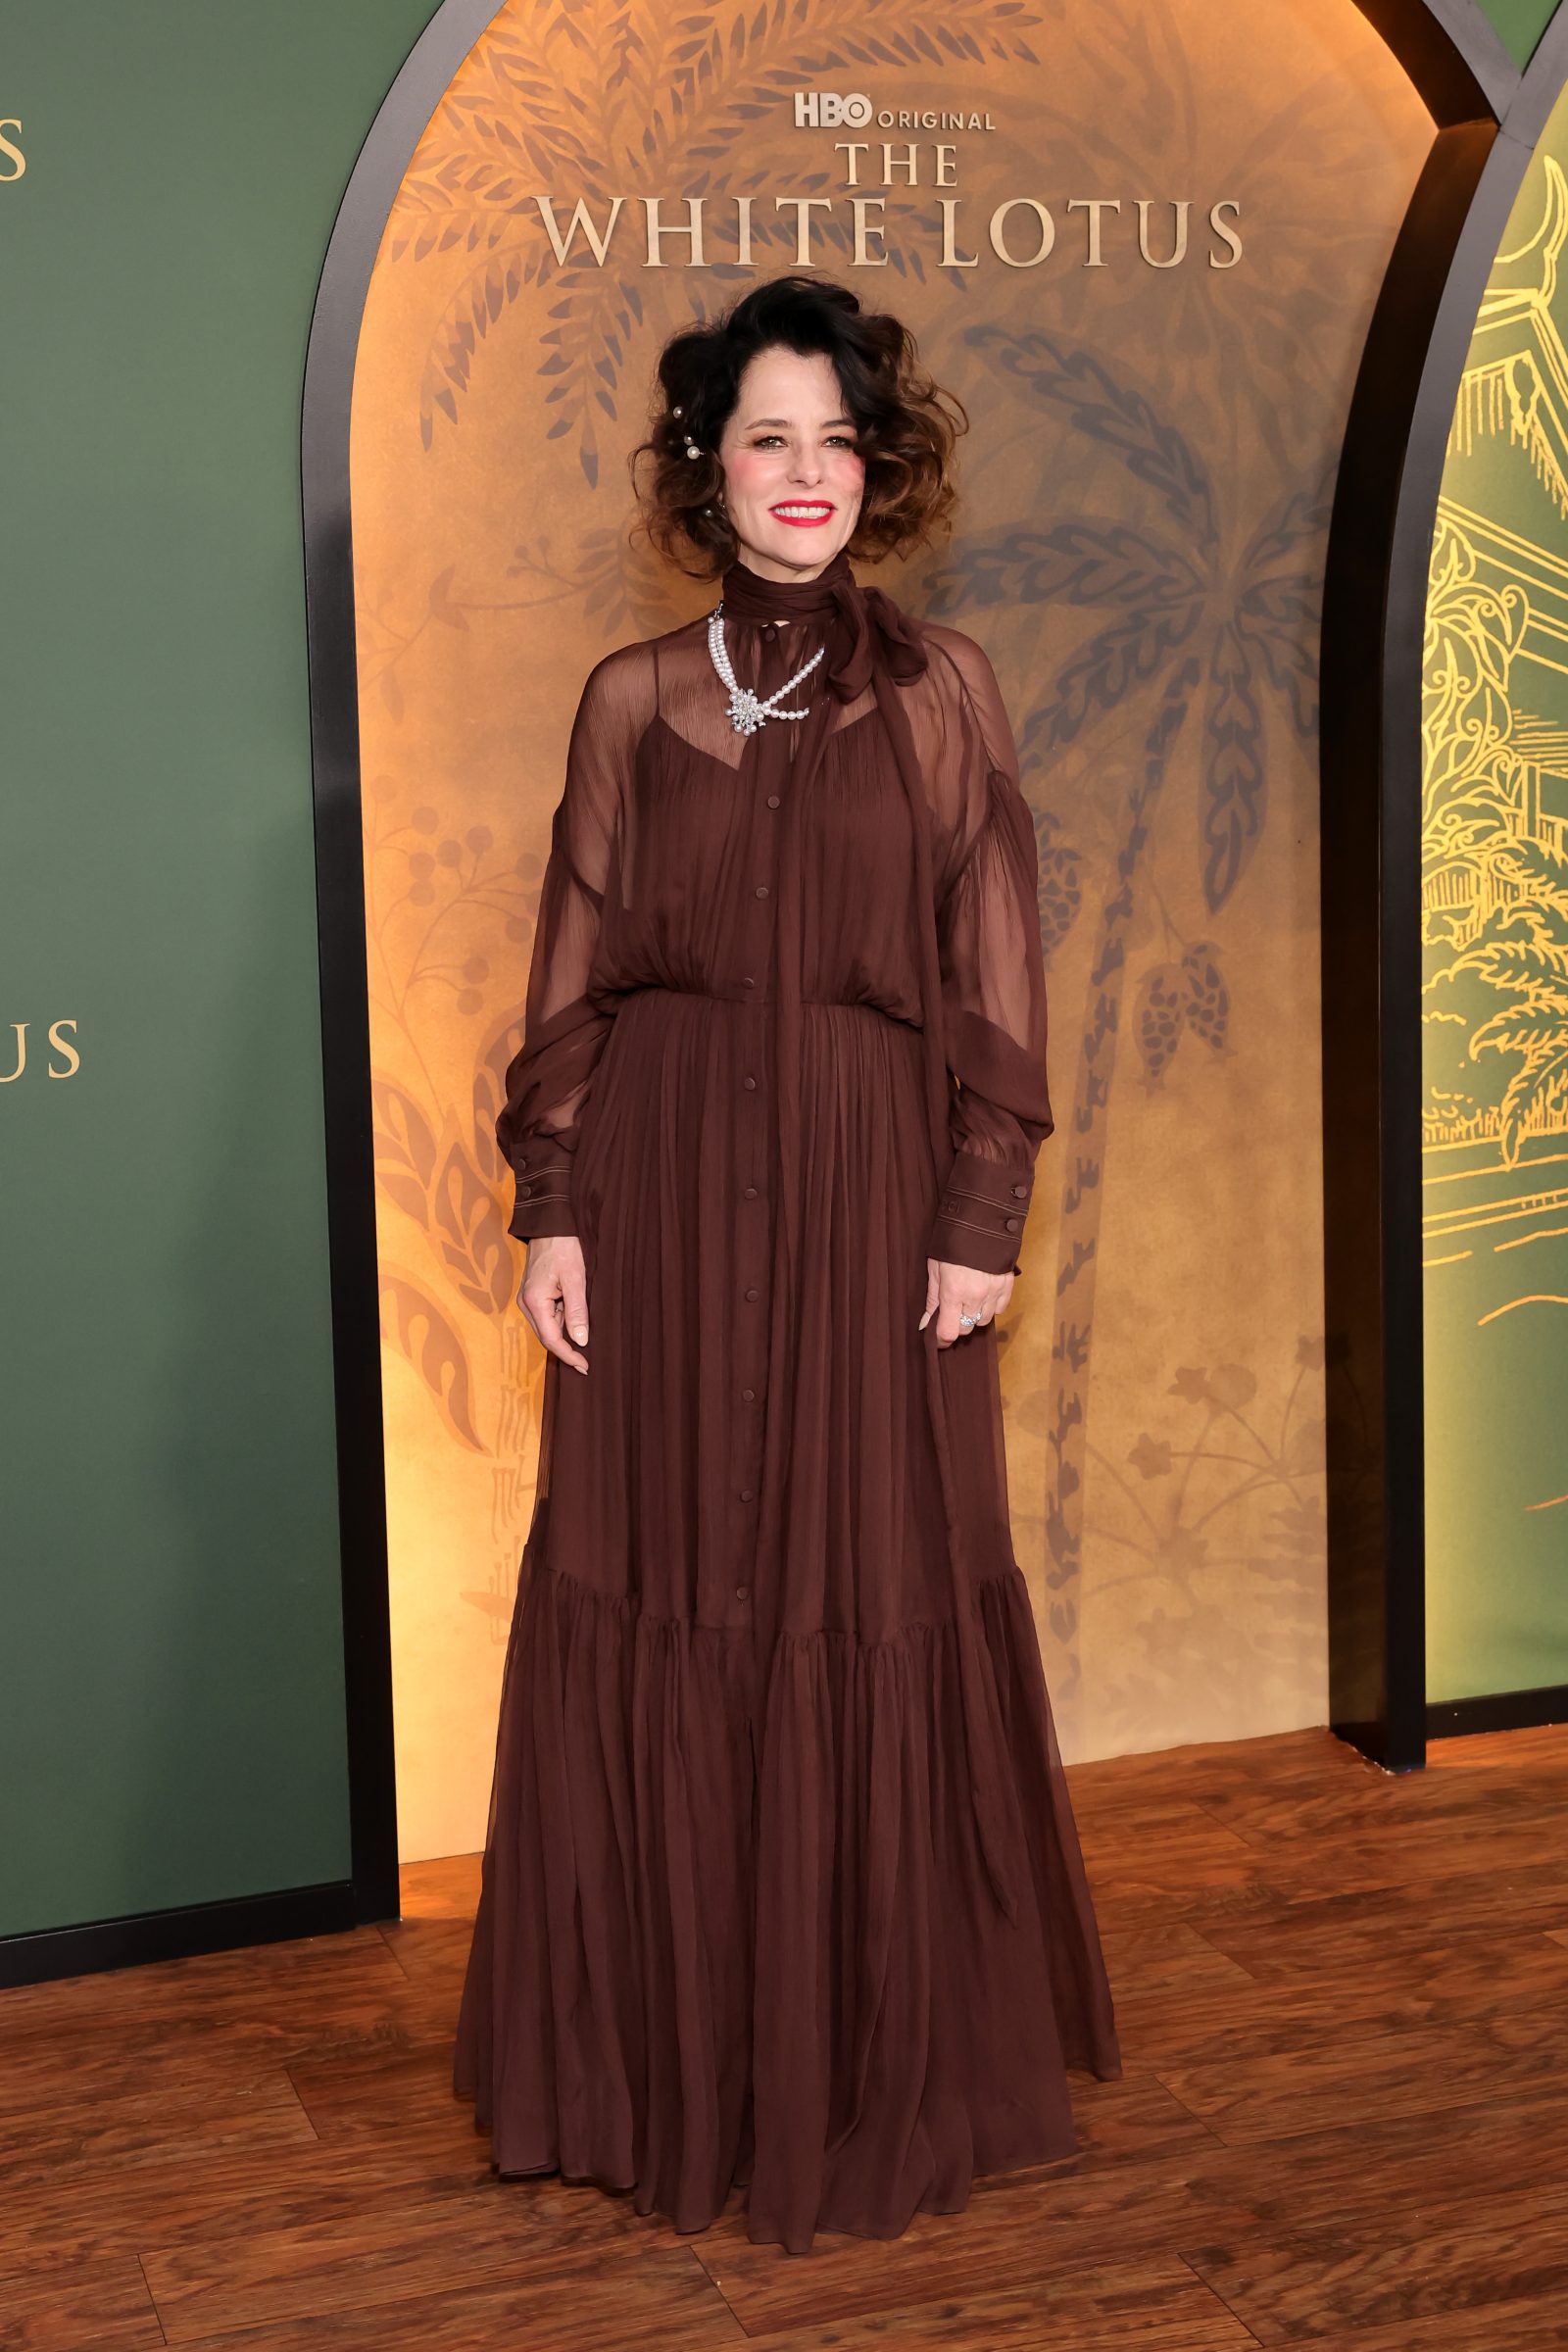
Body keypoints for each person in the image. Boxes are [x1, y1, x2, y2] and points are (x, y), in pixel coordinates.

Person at [453, 271, 1121, 2255]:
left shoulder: (944, 693)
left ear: (877, 466)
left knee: (862, 1589)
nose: (802, 474)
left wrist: (975, 1219)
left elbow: (993, 986)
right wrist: (551, 1203)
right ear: (703, 465)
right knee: (656, 1580)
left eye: (834, 439)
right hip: (652, 1199)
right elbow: (566, 983)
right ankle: (654, 2057)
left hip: (865, 1195)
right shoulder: (629, 700)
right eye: (764, 436)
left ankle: (859, 2053)